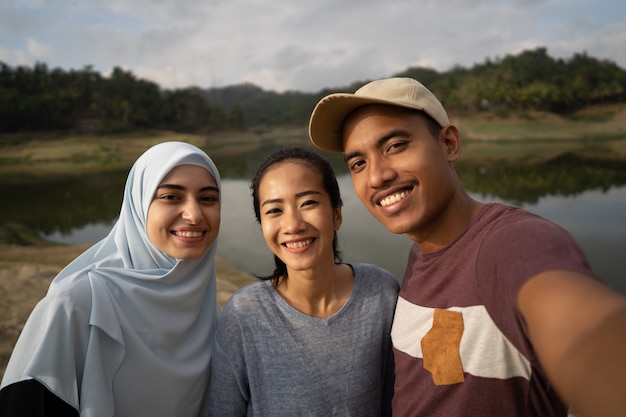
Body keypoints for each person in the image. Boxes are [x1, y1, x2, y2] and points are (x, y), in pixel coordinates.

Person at [308, 77, 626, 417]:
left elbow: (590, 337)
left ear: (449, 144)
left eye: (396, 146)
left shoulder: (511, 242)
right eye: (358, 163)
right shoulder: (422, 255)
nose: (376, 177)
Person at [0, 141, 222, 417]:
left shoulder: (209, 310)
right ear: (138, 205)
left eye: (208, 198)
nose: (194, 214)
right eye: (171, 197)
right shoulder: (78, 303)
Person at [208, 146, 399, 416]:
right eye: (274, 210)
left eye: (308, 203)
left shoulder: (381, 293)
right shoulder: (244, 315)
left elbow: (396, 401)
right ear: (262, 224)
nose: (293, 224)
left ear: (336, 214)